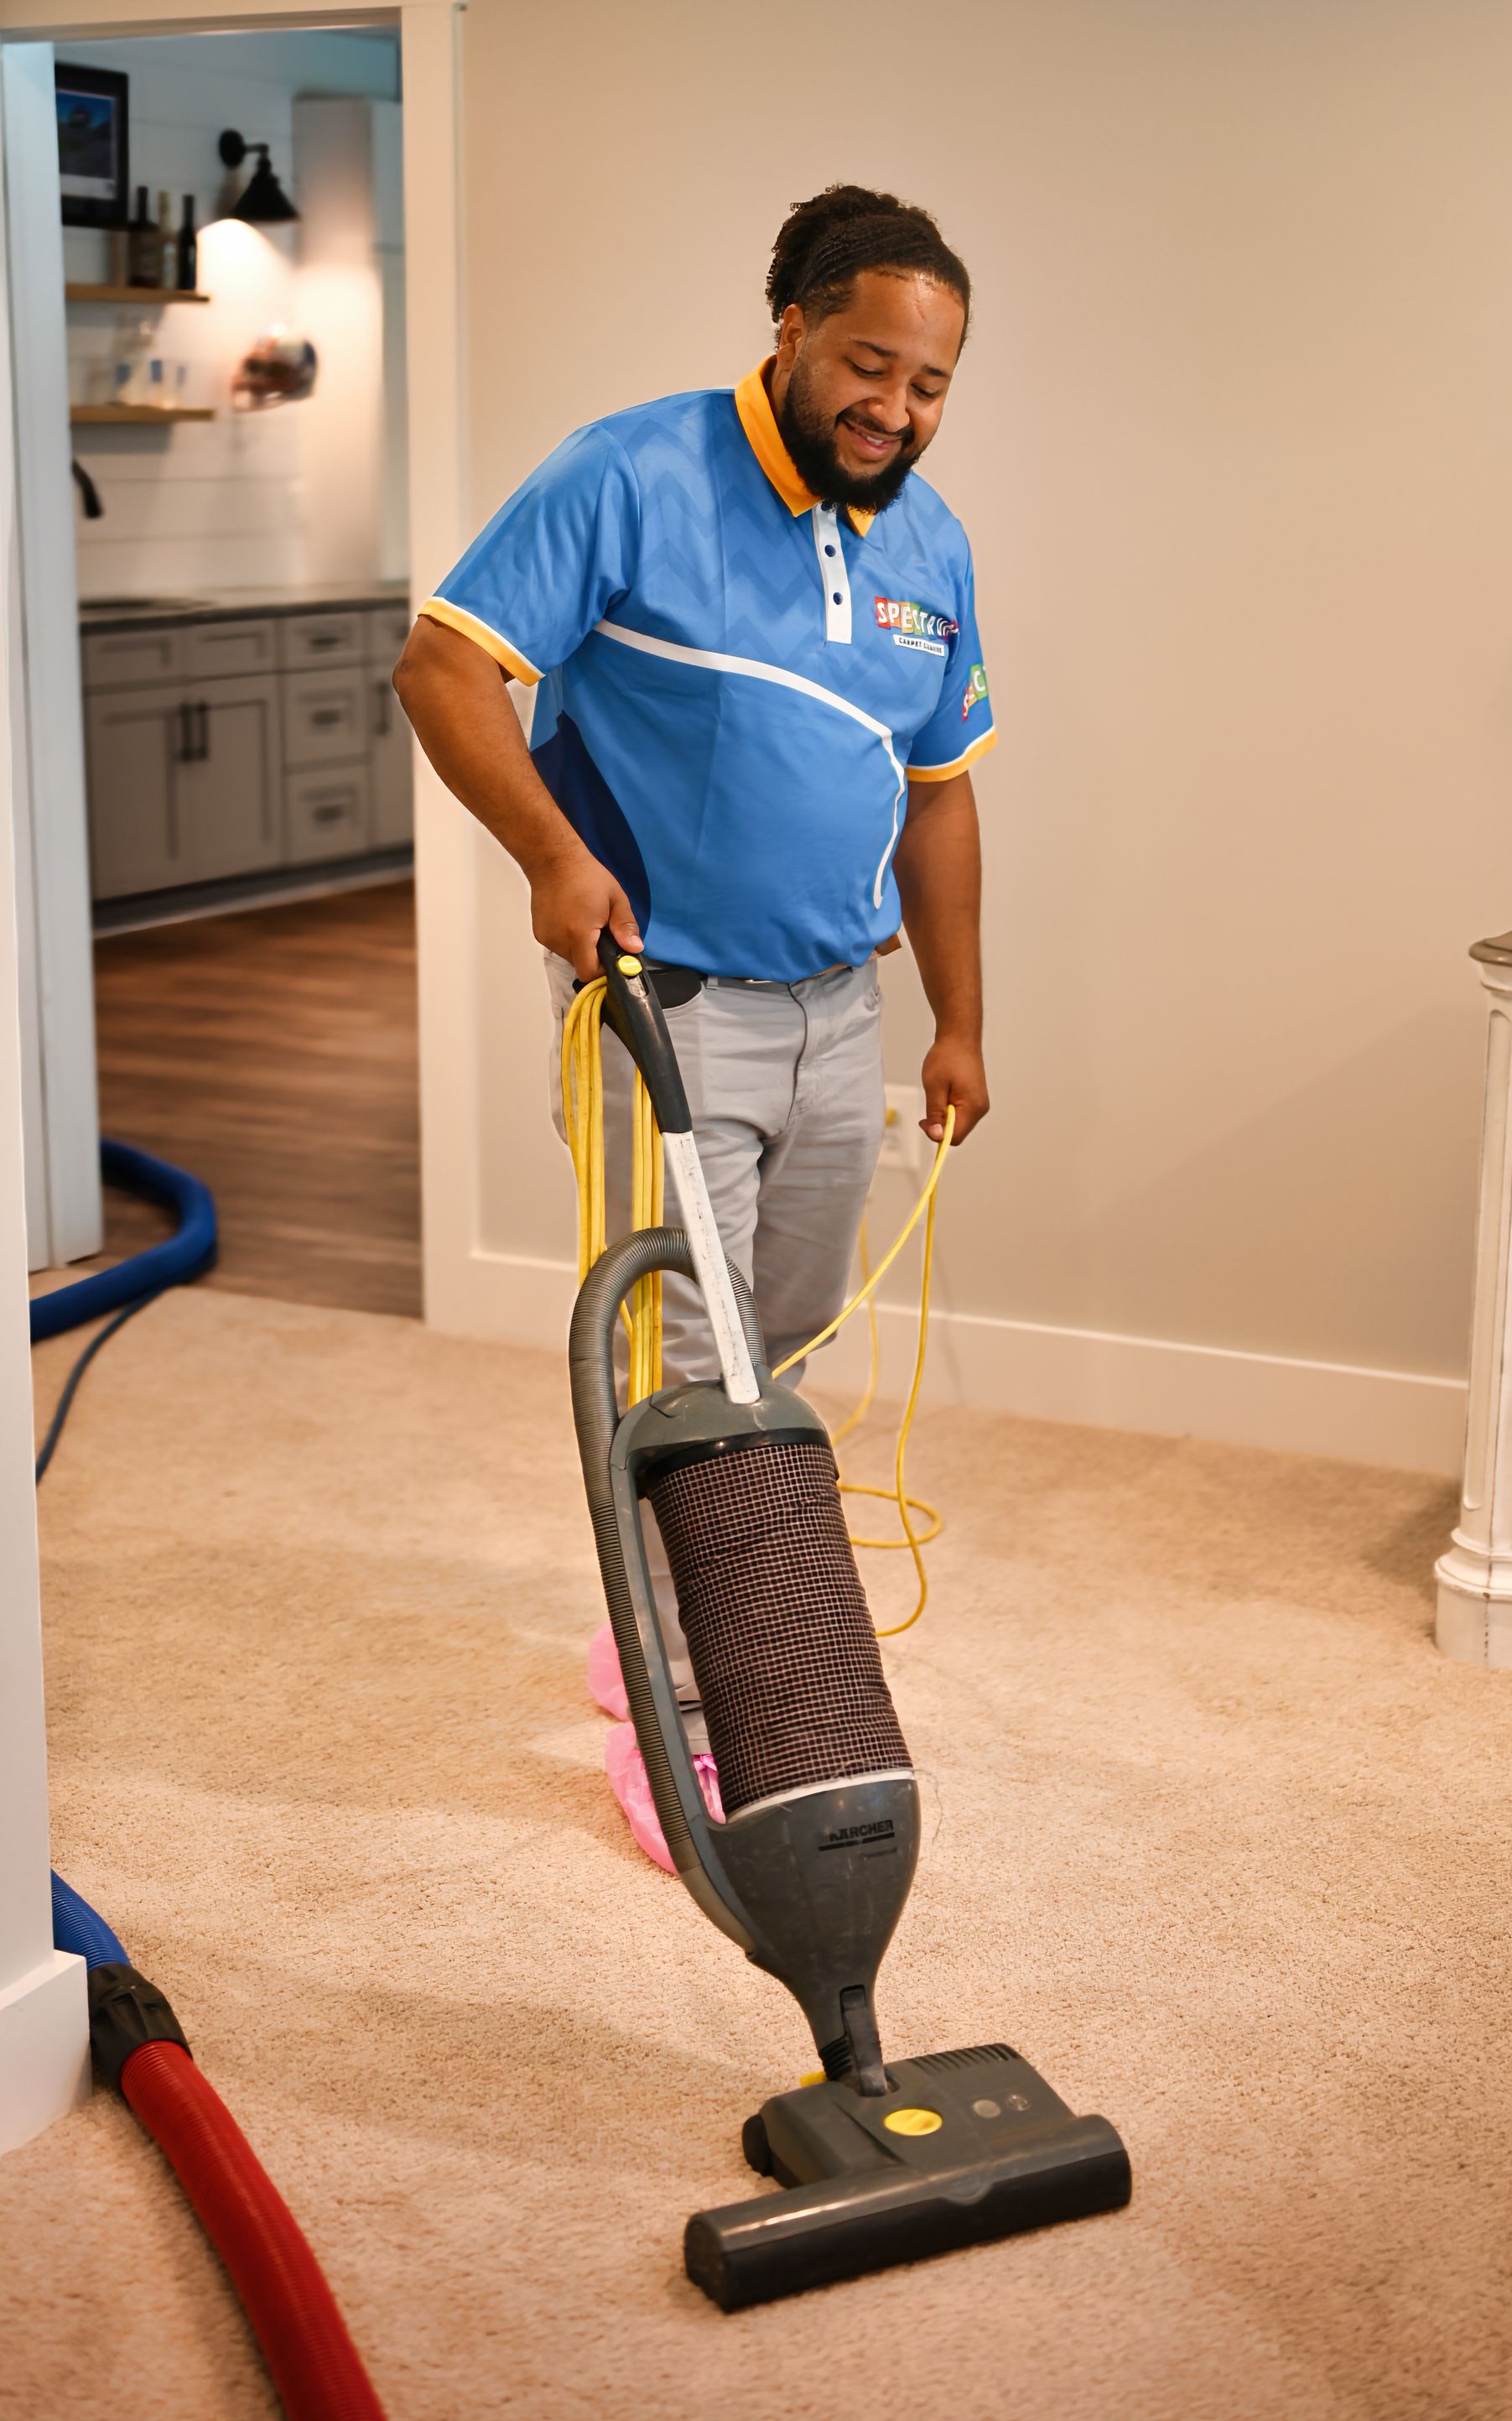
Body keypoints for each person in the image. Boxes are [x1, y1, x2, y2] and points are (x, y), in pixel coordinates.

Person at [393, 182, 996, 1861]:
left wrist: (955, 1022)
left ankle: (652, 1619)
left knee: (778, 1345)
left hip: (835, 1016)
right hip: (667, 1012)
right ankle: (682, 1706)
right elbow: (446, 665)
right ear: (791, 327)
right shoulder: (632, 473)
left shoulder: (931, 544)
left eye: (931, 383)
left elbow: (938, 796)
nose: (896, 406)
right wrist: (555, 857)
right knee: (681, 1363)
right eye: (869, 364)